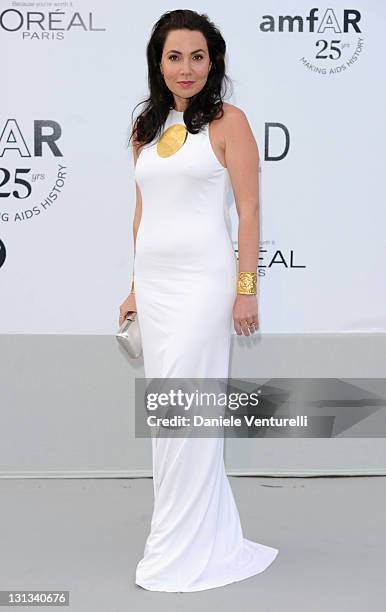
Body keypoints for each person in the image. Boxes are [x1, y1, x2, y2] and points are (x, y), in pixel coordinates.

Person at [119, 9, 279, 592]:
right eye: (173, 56)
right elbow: (142, 214)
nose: (185, 68)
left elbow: (250, 210)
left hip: (204, 285)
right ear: (157, 64)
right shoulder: (145, 127)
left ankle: (183, 549)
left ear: (213, 63)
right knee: (169, 416)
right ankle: (189, 535)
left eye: (197, 56)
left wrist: (245, 290)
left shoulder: (230, 122)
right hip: (156, 288)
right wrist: (134, 287)